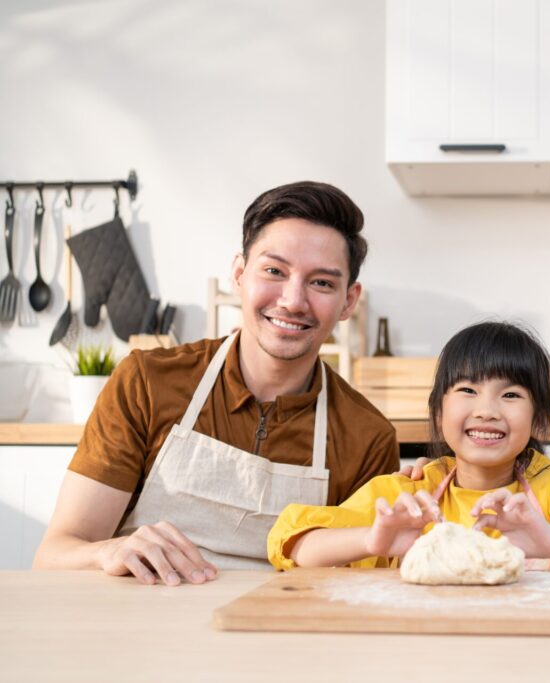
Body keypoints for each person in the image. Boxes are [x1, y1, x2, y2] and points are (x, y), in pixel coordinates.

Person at [33, 181, 400, 585]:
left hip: (281, 639)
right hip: (140, 633)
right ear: (239, 274)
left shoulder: (367, 437)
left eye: (322, 283)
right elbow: (55, 554)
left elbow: (361, 585)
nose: (293, 300)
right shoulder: (147, 382)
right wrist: (107, 551)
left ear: (349, 300)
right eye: (274, 271)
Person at [267, 321, 550, 571]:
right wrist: (374, 540)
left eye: (510, 395)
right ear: (439, 412)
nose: (487, 410)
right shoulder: (412, 492)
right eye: (467, 390)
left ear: (540, 418)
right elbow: (293, 541)